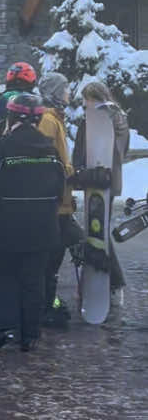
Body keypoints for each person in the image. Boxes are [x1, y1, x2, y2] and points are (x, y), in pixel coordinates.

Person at [0, 92, 64, 351]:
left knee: (9, 276)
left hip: (12, 224)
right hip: (44, 227)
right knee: (35, 279)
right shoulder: (50, 149)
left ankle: (5, 328)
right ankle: (30, 334)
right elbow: (60, 187)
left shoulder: (4, 147)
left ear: (11, 118)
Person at [72, 79, 129, 301]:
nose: (85, 105)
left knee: (98, 232)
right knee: (98, 230)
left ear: (95, 98)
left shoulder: (101, 119)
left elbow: (88, 150)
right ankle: (106, 282)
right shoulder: (118, 117)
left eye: (87, 100)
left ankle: (114, 282)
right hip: (108, 180)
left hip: (98, 180)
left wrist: (80, 173)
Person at [37, 72, 78, 327]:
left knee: (56, 257)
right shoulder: (48, 121)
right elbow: (50, 163)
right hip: (54, 204)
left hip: (61, 203)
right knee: (50, 260)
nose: (69, 94)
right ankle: (46, 306)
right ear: (54, 92)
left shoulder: (56, 119)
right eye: (65, 89)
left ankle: (48, 302)